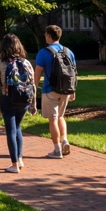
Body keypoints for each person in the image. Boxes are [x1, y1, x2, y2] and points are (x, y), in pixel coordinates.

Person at [0, 34, 35, 173]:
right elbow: (32, 84)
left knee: (11, 131)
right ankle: (19, 159)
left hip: (7, 99)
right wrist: (33, 103)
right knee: (18, 127)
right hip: (24, 100)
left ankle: (14, 165)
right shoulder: (26, 63)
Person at [35, 25, 77, 159]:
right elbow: (74, 72)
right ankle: (64, 140)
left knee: (52, 119)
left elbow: (37, 73)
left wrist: (34, 88)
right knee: (60, 116)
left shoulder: (44, 52)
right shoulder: (68, 51)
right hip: (66, 89)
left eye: (45, 34)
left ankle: (57, 149)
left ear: (49, 36)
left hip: (50, 89)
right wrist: (73, 90)